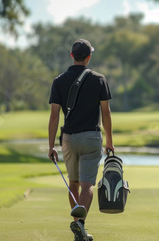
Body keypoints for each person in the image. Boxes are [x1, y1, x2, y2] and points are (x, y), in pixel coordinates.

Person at [48, 39, 114, 241]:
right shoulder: (99, 79)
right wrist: (109, 141)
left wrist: (51, 146)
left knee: (73, 184)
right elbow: (106, 113)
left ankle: (80, 231)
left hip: (68, 138)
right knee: (87, 186)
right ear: (89, 57)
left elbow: (54, 116)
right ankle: (80, 225)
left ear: (71, 56)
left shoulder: (58, 81)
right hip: (91, 138)